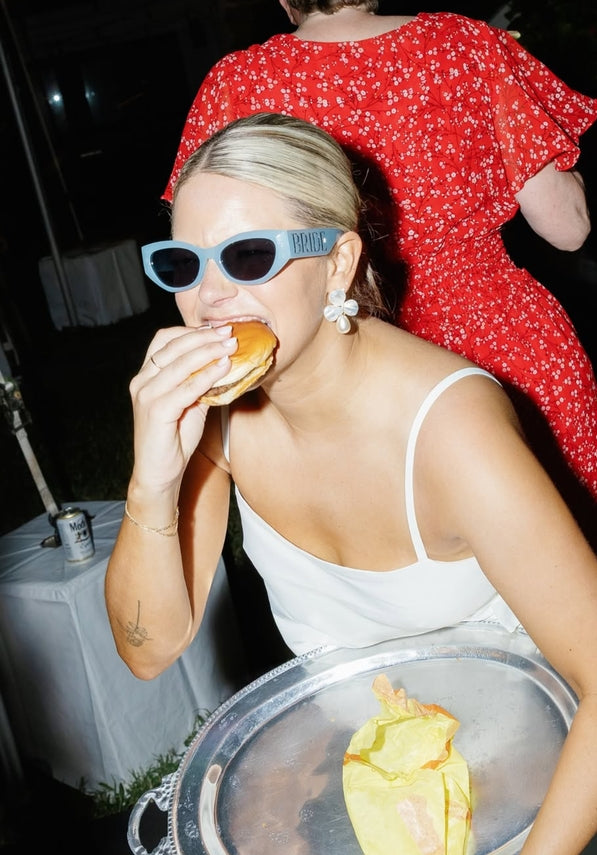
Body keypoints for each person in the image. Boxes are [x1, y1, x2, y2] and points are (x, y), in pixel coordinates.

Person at [106, 112, 597, 855]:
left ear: (337, 262)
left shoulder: (450, 433)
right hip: (377, 792)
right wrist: (151, 480)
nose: (209, 298)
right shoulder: (222, 420)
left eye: (245, 256)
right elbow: (149, 648)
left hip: (535, 797)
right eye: (183, 263)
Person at [162, 0, 597, 520]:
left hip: (345, 366)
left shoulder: (237, 82)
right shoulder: (467, 45)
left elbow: (204, 242)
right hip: (508, 351)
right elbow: (568, 229)